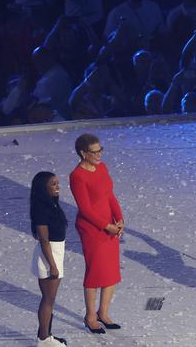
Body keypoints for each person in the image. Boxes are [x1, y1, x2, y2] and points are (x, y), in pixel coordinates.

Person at [70, 134, 124, 334]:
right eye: (95, 151)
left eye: (101, 150)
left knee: (110, 270)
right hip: (92, 229)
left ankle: (104, 312)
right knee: (95, 272)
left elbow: (109, 194)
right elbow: (85, 209)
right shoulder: (77, 176)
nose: (99, 154)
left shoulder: (102, 167)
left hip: (109, 225)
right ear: (83, 153)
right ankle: (90, 316)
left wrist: (119, 218)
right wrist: (106, 226)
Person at [30, 171, 68, 346]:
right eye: (53, 184)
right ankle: (44, 339)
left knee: (50, 299)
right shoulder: (41, 208)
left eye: (57, 183)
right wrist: (53, 265)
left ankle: (46, 336)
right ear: (43, 188)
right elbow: (44, 240)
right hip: (49, 256)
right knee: (48, 299)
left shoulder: (51, 204)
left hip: (55, 252)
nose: (58, 187)